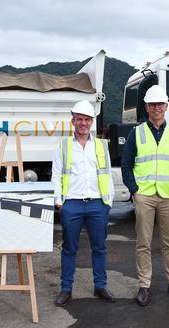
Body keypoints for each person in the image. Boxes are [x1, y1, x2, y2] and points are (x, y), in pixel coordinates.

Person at [121, 85, 169, 306]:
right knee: (143, 242)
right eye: (153, 104)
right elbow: (126, 164)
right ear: (147, 107)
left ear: (166, 106)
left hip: (168, 196)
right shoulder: (137, 132)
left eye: (160, 104)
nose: (157, 108)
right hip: (144, 195)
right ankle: (144, 284)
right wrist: (134, 190)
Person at [51, 100, 116, 306]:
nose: (83, 123)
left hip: (98, 204)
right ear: (73, 121)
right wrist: (59, 202)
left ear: (92, 122)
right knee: (69, 248)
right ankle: (66, 289)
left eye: (87, 119)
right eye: (79, 119)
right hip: (72, 204)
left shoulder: (100, 145)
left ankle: (100, 286)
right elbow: (56, 175)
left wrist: (109, 202)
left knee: (99, 247)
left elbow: (107, 174)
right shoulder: (63, 146)